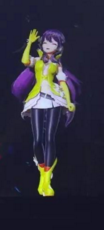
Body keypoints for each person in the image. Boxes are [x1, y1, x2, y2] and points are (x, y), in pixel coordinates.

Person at [12, 29, 81, 196]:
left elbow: (63, 83)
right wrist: (29, 43)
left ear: (58, 47)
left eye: (53, 43)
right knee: (37, 140)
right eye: (45, 42)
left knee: (49, 138)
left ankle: (46, 180)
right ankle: (42, 171)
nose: (48, 45)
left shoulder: (57, 65)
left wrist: (69, 101)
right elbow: (25, 61)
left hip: (53, 100)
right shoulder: (37, 61)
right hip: (37, 99)